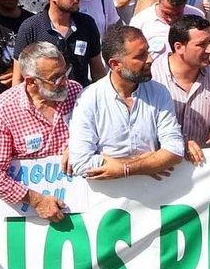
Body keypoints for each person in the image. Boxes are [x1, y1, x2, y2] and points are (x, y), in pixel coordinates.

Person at [0, 41, 84, 222]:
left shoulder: (75, 91)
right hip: (29, 217)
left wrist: (78, 144)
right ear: (31, 81)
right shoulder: (4, 109)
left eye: (65, 72)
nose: (65, 81)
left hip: (79, 206)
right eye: (56, 78)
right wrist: (36, 200)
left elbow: (100, 135)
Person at [68, 23, 185, 179]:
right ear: (116, 64)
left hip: (155, 191)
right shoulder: (89, 99)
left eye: (148, 52)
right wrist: (149, 163)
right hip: (107, 193)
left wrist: (126, 168)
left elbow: (175, 149)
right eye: (140, 56)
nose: (150, 59)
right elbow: (81, 164)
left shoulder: (159, 92)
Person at [151, 14, 210, 161]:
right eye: (201, 44)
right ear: (179, 47)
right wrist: (177, 145)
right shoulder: (153, 77)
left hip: (202, 165)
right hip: (163, 168)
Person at [9, 0, 103, 85]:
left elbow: (98, 72)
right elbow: (18, 79)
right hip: (42, 97)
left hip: (80, 96)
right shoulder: (31, 28)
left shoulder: (87, 24)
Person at [132, 0, 204, 57]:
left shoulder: (197, 16)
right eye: (166, 13)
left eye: (178, 14)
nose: (171, 19)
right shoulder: (140, 21)